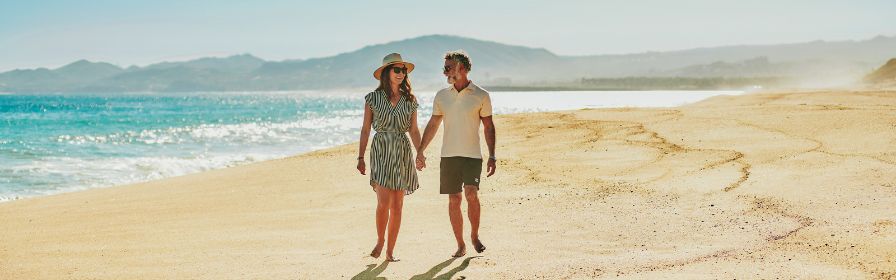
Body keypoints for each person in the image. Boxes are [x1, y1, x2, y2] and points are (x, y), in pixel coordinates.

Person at [417, 50, 496, 258]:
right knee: (454, 199)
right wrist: (421, 150)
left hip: (472, 156)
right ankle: (460, 244)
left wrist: (492, 155)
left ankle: (475, 235)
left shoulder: (481, 95)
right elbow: (434, 124)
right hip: (449, 156)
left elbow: (488, 127)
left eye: (448, 68)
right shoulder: (442, 96)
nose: (445, 73)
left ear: (462, 68)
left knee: (471, 194)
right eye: (445, 68)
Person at [357, 53, 422, 262]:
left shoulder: (410, 100)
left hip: (402, 150)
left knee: (398, 206)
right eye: (397, 69)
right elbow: (366, 129)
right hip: (382, 149)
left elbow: (413, 130)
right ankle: (380, 240)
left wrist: (420, 153)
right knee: (383, 202)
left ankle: (391, 251)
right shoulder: (372, 98)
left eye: (403, 70)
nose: (401, 73)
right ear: (386, 72)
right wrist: (360, 157)